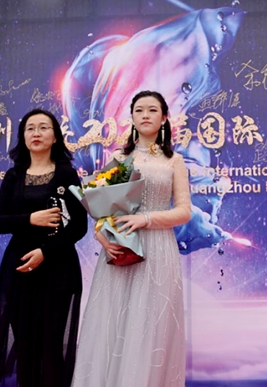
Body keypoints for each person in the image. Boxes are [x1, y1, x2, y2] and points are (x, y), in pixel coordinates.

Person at [72, 91, 192, 387]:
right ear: (132, 118)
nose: (145, 115)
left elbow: (184, 211)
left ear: (164, 118)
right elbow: (102, 207)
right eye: (139, 110)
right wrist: (102, 238)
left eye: (152, 110)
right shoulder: (119, 158)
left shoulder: (174, 161)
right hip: (121, 247)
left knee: (150, 325)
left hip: (159, 249)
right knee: (113, 322)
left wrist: (146, 219)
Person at [0, 109, 88, 387]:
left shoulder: (67, 174)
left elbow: (79, 226)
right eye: (30, 128)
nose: (36, 133)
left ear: (55, 137)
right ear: (23, 137)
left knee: (51, 347)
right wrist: (30, 219)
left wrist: (45, 252)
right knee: (25, 346)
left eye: (43, 127)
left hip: (58, 268)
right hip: (20, 269)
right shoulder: (13, 176)